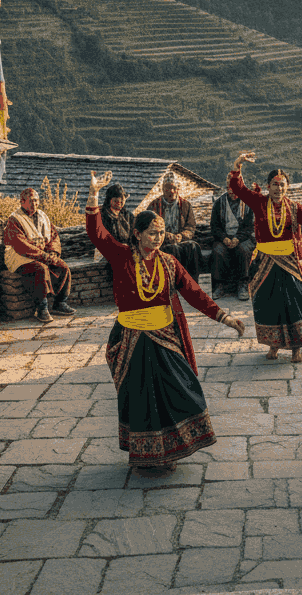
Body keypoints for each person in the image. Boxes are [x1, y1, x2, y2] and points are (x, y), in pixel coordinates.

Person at [84, 170, 246, 474]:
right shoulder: (121, 257)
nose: (157, 239)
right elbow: (97, 234)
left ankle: (172, 450)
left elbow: (195, 293)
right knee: (141, 397)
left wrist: (224, 317)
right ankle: (145, 453)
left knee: (178, 389)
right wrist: (94, 195)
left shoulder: (169, 263)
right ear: (137, 234)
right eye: (152, 233)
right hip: (132, 338)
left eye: (160, 234)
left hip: (164, 336)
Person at [229, 151, 302, 363]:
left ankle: (297, 347)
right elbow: (238, 189)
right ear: (268, 186)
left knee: (293, 302)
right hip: (265, 262)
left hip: (290, 262)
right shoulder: (259, 202)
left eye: (282, 185)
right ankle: (274, 345)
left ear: (287, 187)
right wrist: (237, 165)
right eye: (274, 184)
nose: (278, 189)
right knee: (268, 303)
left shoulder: (295, 208)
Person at [3, 187, 75, 323]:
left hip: (42, 255)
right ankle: (42, 308)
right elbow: (21, 245)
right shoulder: (15, 219)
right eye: (30, 201)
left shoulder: (43, 216)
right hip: (19, 257)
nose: (34, 204)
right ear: (22, 202)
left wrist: (53, 252)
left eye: (36, 201)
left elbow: (53, 236)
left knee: (63, 267)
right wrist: (45, 257)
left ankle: (60, 303)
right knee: (40, 269)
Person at [209, 173, 256, 302]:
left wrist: (237, 238)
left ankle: (243, 284)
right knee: (218, 251)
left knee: (243, 249)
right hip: (224, 238)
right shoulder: (219, 203)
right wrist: (224, 238)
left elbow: (250, 227)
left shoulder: (248, 203)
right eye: (229, 187)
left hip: (244, 238)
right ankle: (220, 285)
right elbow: (215, 226)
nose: (232, 190)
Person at [148, 173, 203, 281]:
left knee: (193, 247)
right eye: (168, 188)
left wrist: (181, 236)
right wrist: (165, 235)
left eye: (174, 188)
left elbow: (191, 227)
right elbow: (149, 226)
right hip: (162, 242)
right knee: (174, 249)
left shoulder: (185, 205)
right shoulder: (154, 205)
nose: (171, 191)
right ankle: (175, 283)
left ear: (178, 189)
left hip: (180, 240)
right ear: (163, 190)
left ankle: (192, 282)